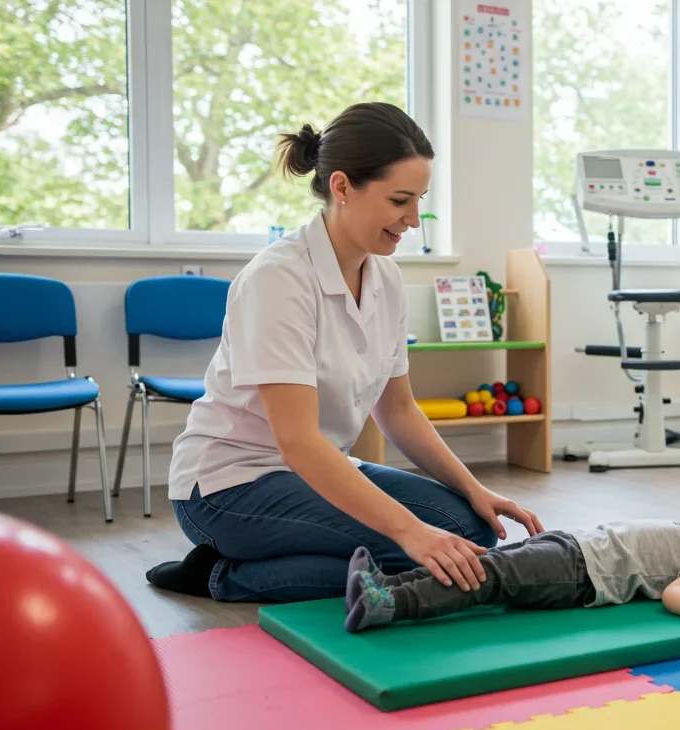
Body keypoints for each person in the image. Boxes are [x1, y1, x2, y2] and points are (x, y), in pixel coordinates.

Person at [146, 102, 541, 602]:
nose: (414, 220)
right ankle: (219, 574)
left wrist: (474, 489)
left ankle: (287, 558)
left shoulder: (386, 277)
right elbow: (296, 441)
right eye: (400, 200)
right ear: (341, 187)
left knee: (470, 533)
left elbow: (397, 410)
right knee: (416, 552)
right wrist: (408, 531)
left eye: (419, 199)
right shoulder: (279, 279)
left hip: (320, 470)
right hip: (230, 486)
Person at [342, 497, 680, 633]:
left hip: (580, 572)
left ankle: (392, 604)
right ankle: (389, 583)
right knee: (485, 562)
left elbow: (677, 593)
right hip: (575, 546)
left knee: (489, 579)